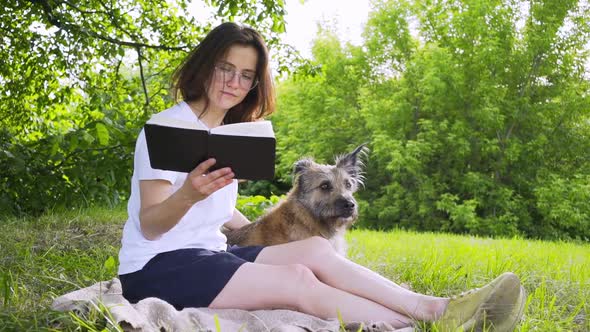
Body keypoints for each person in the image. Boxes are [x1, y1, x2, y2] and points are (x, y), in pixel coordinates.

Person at [117, 22, 526, 330]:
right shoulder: (167, 128)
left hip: (212, 254)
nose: (234, 82)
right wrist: (189, 192)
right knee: (297, 279)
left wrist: (251, 223)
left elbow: (215, 218)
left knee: (314, 250)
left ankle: (437, 307)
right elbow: (151, 224)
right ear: (205, 67)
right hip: (157, 267)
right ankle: (421, 325)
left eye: (246, 75)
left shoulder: (230, 136)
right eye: (225, 68)